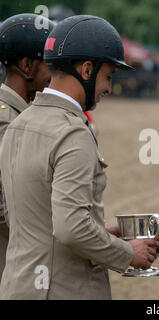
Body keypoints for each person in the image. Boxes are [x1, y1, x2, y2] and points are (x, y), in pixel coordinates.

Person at [0, 15, 159, 299]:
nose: (109, 88)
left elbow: (32, 221)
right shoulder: (71, 132)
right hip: (64, 289)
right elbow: (71, 229)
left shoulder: (18, 124)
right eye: (108, 76)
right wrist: (128, 253)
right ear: (87, 70)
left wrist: (102, 233)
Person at [0, 13, 55, 282]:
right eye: (52, 66)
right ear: (26, 65)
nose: (56, 77)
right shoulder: (7, 122)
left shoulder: (20, 114)